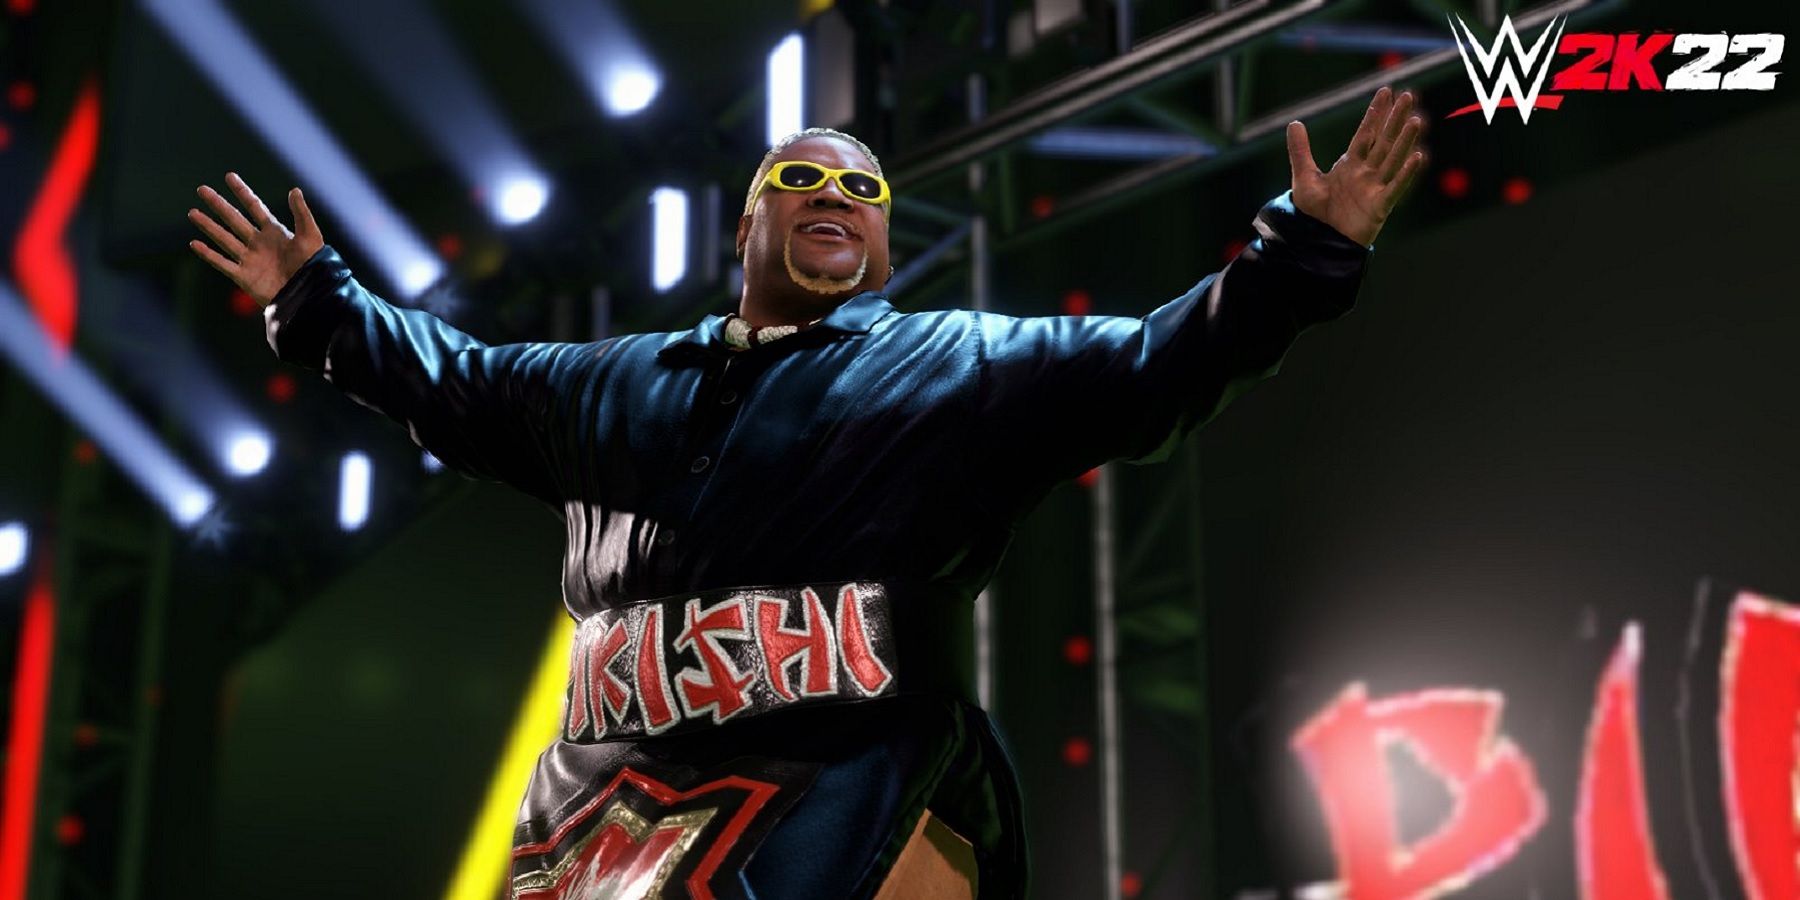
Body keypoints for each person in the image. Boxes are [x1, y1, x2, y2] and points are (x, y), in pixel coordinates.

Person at [188, 86, 1425, 899]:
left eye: (863, 190)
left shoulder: (955, 364)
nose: (836, 194)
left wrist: (1298, 258)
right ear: (745, 232)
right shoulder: (610, 380)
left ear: (883, 247)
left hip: (843, 788)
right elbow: (450, 380)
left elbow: (1154, 364)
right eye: (803, 180)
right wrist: (318, 304)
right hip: (600, 807)